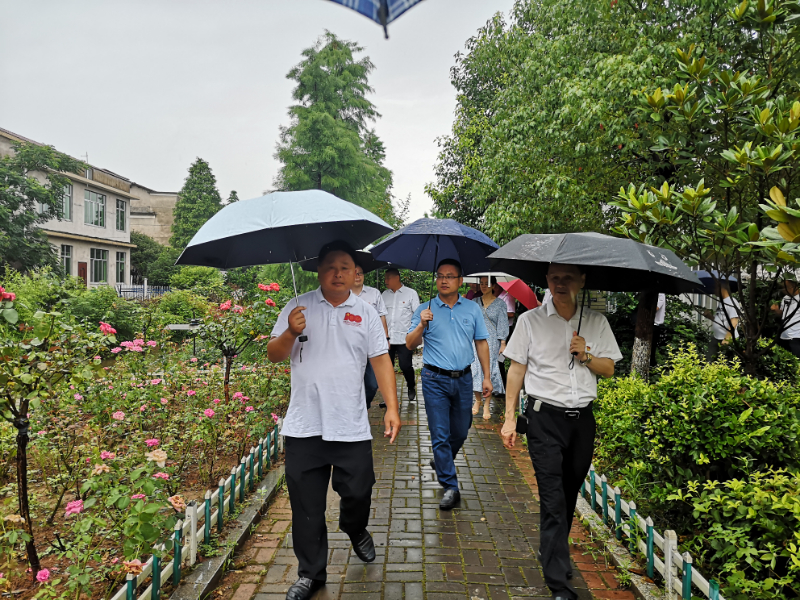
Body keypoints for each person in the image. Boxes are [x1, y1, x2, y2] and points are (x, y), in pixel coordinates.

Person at [267, 241, 401, 600]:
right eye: (330, 266)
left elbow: (380, 360)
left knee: (359, 491)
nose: (338, 273)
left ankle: (354, 526)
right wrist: (290, 332)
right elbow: (274, 354)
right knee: (306, 506)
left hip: (350, 424)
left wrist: (392, 407)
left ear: (355, 272)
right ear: (318, 270)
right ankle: (310, 574)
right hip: (304, 425)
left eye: (345, 267)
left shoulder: (366, 312)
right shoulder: (297, 307)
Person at [500, 264, 622, 600]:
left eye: (568, 277)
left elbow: (609, 369)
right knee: (552, 497)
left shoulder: (596, 322)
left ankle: (551, 548)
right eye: (554, 277)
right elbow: (516, 370)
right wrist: (509, 418)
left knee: (567, 494)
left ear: (582, 280)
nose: (560, 283)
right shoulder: (530, 321)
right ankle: (559, 582)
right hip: (543, 419)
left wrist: (586, 355)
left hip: (582, 421)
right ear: (547, 281)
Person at [406, 258, 492, 510]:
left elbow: (481, 342)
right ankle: (450, 485)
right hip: (434, 379)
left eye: (450, 276)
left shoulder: (472, 309)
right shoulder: (425, 309)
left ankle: (441, 459)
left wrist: (487, 376)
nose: (444, 280)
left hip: (464, 378)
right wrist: (421, 324)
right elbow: (409, 344)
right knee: (440, 434)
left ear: (460, 281)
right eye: (440, 276)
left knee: (462, 429)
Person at [470, 276, 509, 420]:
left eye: (487, 283)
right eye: (481, 283)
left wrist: (503, 343)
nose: (483, 286)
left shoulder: (500, 304)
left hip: (492, 341)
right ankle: (477, 400)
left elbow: (503, 324)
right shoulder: (474, 302)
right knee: (475, 369)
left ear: (493, 285)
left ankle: (487, 404)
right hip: (475, 340)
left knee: (490, 370)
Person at [352, 263, 388, 408]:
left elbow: (382, 316)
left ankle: (364, 406)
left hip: (371, 345)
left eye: (360, 273)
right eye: (354, 273)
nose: (357, 276)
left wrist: (386, 338)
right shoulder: (342, 294)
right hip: (351, 347)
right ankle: (356, 411)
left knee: (372, 384)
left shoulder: (374, 293)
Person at [382, 268, 420, 403]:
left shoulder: (411, 293)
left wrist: (413, 333)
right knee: (387, 368)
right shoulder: (384, 295)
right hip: (387, 338)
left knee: (405, 366)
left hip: (404, 338)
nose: (385, 281)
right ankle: (388, 396)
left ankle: (411, 385)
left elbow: (417, 315)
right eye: (385, 278)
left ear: (397, 278)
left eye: (388, 278)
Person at [703, 280, 740, 359]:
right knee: (709, 359)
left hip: (726, 339)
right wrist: (710, 317)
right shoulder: (722, 302)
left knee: (725, 362)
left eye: (715, 288)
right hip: (717, 337)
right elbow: (721, 320)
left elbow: (734, 321)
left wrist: (727, 338)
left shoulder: (731, 301)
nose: (714, 291)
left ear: (721, 288)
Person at [494, 281, 516, 390]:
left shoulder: (508, 296)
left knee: (500, 359)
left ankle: (502, 386)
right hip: (497, 331)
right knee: (496, 359)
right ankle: (498, 385)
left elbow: (511, 313)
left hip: (506, 331)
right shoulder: (497, 297)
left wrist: (499, 313)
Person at [771, 276, 800, 356]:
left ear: (793, 287)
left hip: (797, 336)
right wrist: (776, 310)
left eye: (784, 288)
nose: (783, 290)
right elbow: (782, 314)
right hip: (784, 335)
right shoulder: (785, 298)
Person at [650, 293, 666, 367]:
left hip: (655, 325)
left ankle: (652, 366)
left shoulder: (660, 294)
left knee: (651, 349)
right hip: (650, 325)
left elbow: (656, 308)